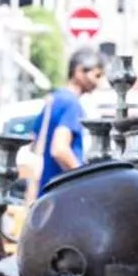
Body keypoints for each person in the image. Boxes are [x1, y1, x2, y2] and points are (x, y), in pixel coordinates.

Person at [32, 47, 105, 198]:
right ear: (79, 71)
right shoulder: (71, 103)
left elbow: (34, 140)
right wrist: (84, 179)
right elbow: (59, 150)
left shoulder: (54, 99)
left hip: (45, 194)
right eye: (96, 75)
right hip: (61, 196)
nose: (98, 82)